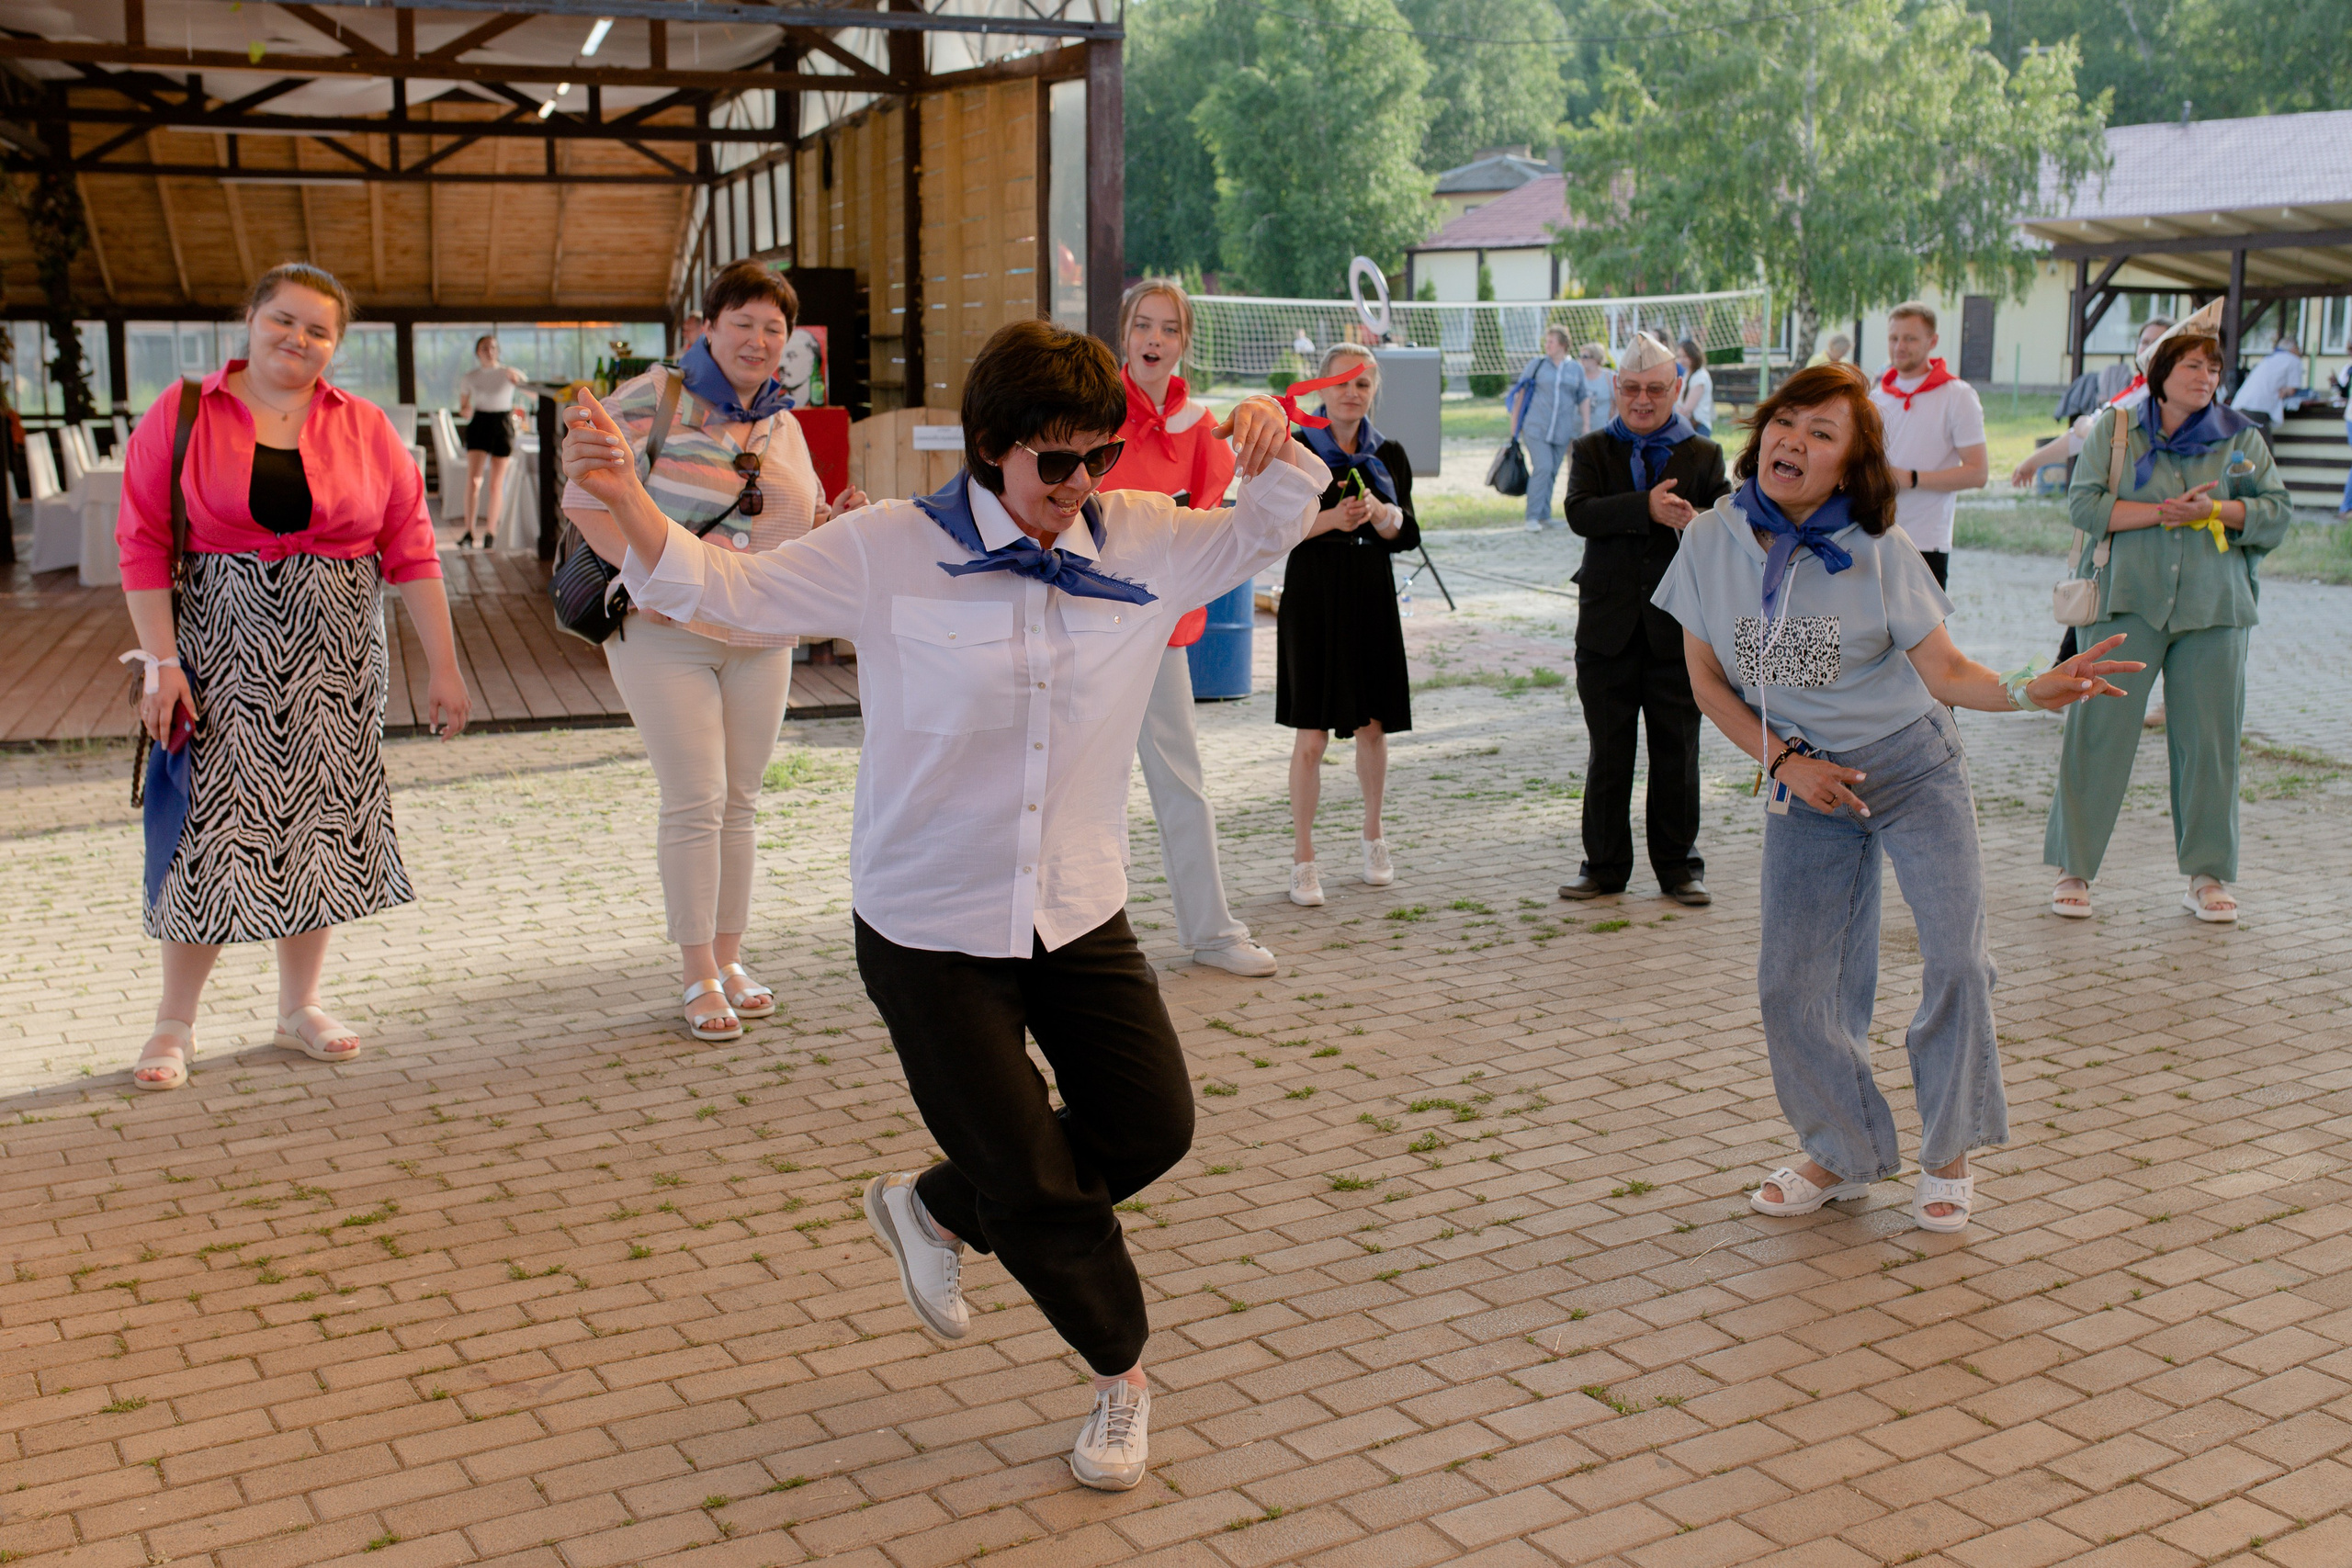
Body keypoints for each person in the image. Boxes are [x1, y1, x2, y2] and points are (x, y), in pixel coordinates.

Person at [560, 316, 1330, 1494]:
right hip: (927, 924)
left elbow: (1266, 531)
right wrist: (625, 499)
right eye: (1055, 461)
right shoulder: (888, 547)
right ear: (988, 447)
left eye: (1099, 455)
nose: (1080, 484)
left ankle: (929, 1209)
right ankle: (1121, 1377)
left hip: (1075, 906)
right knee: (1033, 1176)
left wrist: (1271, 444)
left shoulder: (1147, 538)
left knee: (1151, 1124)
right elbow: (729, 590)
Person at [1651, 363, 2143, 1231]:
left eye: (1822, 433)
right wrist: (1785, 763)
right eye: (1786, 421)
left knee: (1957, 961)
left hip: (1913, 767)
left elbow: (1947, 672)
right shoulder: (1709, 541)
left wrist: (2030, 689)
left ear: (1851, 466)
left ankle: (1947, 1150)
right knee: (1793, 983)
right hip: (1808, 781)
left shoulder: (1881, 550)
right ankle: (1842, 1149)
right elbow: (1707, 682)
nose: (1794, 440)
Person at [116, 262, 473, 1092]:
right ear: (250, 318)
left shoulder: (366, 425)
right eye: (283, 319)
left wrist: (446, 668)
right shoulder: (185, 410)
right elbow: (141, 542)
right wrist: (162, 663)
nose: (298, 339)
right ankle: (174, 1021)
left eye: (318, 330)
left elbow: (413, 552)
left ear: (336, 344)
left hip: (337, 663)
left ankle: (298, 1007)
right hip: (218, 659)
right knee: (206, 830)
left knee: (317, 827)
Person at [562, 261, 865, 1043]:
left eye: (774, 329)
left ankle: (730, 959)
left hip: (762, 633)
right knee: (696, 799)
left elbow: (796, 521)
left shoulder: (783, 421)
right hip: (666, 631)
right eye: (744, 324)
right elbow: (584, 500)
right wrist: (650, 576)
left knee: (740, 800)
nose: (759, 341)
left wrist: (836, 523)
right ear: (707, 327)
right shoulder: (651, 398)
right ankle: (697, 971)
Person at [2047, 302, 2293, 924]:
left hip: (2215, 608)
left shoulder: (2242, 438)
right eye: (2192, 365)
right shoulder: (2116, 429)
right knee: (2097, 734)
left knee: (2210, 744)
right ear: (2160, 373)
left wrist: (2215, 512)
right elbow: (2085, 506)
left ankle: (2208, 876)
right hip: (2125, 600)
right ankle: (2073, 868)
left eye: (2213, 367)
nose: (2205, 377)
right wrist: (2162, 513)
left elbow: (2275, 513)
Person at [1108, 277, 1279, 976]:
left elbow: (1212, 525)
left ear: (1184, 341)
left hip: (1158, 630)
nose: (1154, 339)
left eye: (1169, 328)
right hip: (1081, 625)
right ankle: (1076, 942)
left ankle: (1212, 932)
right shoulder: (1091, 407)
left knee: (1182, 780)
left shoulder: (1205, 426)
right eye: (1143, 325)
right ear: (1124, 333)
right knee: (1079, 787)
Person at [1560, 332, 1728, 906]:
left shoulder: (1703, 454)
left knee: (1677, 752)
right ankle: (1603, 866)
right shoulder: (1591, 448)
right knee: (1609, 753)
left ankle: (1679, 868)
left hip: (1678, 631)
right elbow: (1579, 513)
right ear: (1616, 387)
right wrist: (1646, 507)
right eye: (1631, 388)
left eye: (1655, 390)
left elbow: (1728, 525)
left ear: (1676, 388)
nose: (1642, 400)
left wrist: (1695, 520)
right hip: (1606, 629)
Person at [1278, 346, 1419, 908]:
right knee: (1311, 734)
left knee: (1373, 726)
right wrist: (1333, 519)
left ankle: (1373, 836)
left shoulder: (1389, 453)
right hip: (1314, 595)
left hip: (1369, 593)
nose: (1351, 393)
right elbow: (1272, 530)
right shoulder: (1297, 448)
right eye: (1341, 382)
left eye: (1362, 384)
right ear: (1322, 388)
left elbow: (1408, 535)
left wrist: (1383, 517)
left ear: (1373, 391)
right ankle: (1303, 858)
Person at [1868, 302, 1988, 590]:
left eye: (1910, 338)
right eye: (1894, 338)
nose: (1899, 346)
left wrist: (1911, 478)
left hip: (1923, 541)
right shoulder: (1876, 396)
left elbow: (1978, 473)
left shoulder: (1957, 395)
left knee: (1923, 621)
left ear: (1932, 342)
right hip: (1871, 534)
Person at [2008, 317, 2171, 491]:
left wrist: (2086, 427)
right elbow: (2080, 437)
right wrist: (2034, 461)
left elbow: (2118, 442)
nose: (2148, 348)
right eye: (2144, 342)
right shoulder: (2136, 389)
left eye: (2157, 343)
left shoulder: (2163, 394)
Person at [1507, 325, 1587, 531]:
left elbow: (1583, 397)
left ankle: (1544, 516)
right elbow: (1521, 394)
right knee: (1542, 468)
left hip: (1562, 431)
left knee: (1551, 471)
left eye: (1551, 341)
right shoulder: (1537, 364)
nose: (1547, 345)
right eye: (1547, 341)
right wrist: (1514, 428)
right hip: (1536, 428)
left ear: (1563, 344)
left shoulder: (1575, 369)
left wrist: (1586, 425)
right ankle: (1532, 517)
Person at [454, 334, 527, 549]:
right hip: (479, 423)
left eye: (493, 347)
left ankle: (491, 532)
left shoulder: (509, 373)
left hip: (502, 424)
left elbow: (533, 395)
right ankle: (469, 532)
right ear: (477, 352)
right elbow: (463, 408)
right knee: (474, 481)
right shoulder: (470, 377)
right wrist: (466, 410)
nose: (489, 351)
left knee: (496, 484)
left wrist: (518, 380)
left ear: (498, 351)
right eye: (485, 348)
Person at [2229, 335, 2302, 432]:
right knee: (2262, 441)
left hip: (2239, 405)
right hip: (2258, 408)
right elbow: (2292, 390)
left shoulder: (2269, 359)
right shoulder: (2294, 360)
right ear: (2294, 349)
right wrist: (2284, 391)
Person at [1674, 338, 1715, 437]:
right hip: (1688, 425)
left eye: (1685, 356)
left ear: (1693, 356)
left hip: (1699, 427)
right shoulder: (1688, 372)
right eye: (1679, 356)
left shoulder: (1700, 376)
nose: (1681, 360)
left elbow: (1687, 409)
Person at [1578, 343, 1614, 436]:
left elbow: (1619, 403)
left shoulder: (1609, 377)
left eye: (1585, 356)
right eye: (1580, 356)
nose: (1582, 359)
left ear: (1596, 358)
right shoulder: (1577, 375)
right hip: (1577, 431)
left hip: (1600, 432)